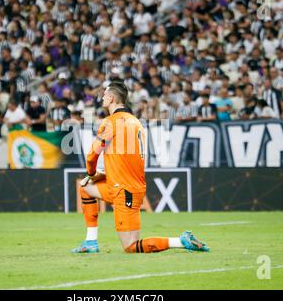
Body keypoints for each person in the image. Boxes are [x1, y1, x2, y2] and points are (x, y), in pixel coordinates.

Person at [72, 82, 209, 253]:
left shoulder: (111, 122)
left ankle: (181, 241)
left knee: (130, 247)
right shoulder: (136, 122)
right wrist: (105, 173)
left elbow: (93, 155)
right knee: (85, 188)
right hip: (127, 186)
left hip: (124, 190)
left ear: (112, 98)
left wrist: (91, 173)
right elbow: (126, 155)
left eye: (105, 95)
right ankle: (90, 242)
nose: (102, 98)